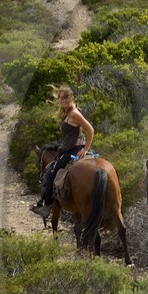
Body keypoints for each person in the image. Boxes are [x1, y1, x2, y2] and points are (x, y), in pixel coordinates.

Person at [31, 84, 94, 213]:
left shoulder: (74, 113)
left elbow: (90, 130)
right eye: (61, 98)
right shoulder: (68, 112)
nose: (64, 101)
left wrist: (86, 149)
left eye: (66, 98)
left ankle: (47, 206)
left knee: (51, 173)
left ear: (71, 98)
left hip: (74, 148)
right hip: (69, 147)